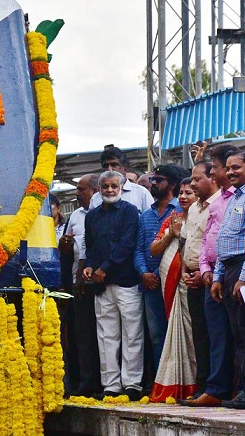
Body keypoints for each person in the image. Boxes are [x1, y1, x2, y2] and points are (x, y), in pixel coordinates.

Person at [181, 144, 239, 407]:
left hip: (238, 272)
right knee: (217, 336)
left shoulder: (234, 198)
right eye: (221, 167)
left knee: (238, 334)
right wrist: (211, 273)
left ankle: (231, 388)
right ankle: (216, 388)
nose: (219, 172)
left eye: (219, 168)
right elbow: (211, 240)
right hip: (219, 274)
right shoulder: (229, 199)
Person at [83, 170, 144, 401]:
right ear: (99, 189)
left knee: (132, 334)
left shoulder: (130, 212)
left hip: (125, 281)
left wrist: (104, 267)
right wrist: (90, 266)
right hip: (101, 285)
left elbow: (127, 245)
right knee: (106, 336)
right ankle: (110, 385)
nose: (109, 190)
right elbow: (89, 247)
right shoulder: (92, 215)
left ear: (121, 187)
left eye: (113, 186)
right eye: (105, 186)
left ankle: (132, 384)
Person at [135, 164, 188, 381]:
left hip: (172, 280)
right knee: (156, 336)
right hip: (148, 283)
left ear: (173, 184)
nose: (153, 183)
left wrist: (158, 273)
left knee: (177, 333)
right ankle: (160, 383)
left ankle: (180, 381)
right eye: (153, 180)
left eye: (159, 180)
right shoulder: (146, 215)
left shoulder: (180, 210)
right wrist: (143, 273)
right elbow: (139, 248)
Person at [148, 178, 198, 401]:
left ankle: (196, 383)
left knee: (194, 334)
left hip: (191, 283)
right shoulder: (172, 218)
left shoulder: (199, 217)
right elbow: (153, 249)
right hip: (171, 286)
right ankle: (177, 384)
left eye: (189, 193)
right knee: (174, 332)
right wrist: (172, 233)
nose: (184, 197)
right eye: (182, 193)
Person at [178, 160, 219, 397]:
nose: (192, 183)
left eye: (196, 179)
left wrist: (202, 273)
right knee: (199, 335)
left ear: (212, 178)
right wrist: (185, 270)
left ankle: (217, 387)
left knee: (215, 334)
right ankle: (203, 386)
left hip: (210, 277)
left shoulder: (219, 204)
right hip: (192, 277)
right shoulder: (194, 208)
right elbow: (188, 243)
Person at [58, 173, 101, 396]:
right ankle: (85, 383)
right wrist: (64, 244)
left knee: (103, 335)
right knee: (81, 336)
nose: (77, 194)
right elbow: (69, 251)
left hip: (100, 282)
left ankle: (104, 383)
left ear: (95, 190)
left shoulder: (102, 212)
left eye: (81, 190)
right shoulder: (75, 215)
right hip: (78, 284)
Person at [211, 150, 245, 409]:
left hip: (243, 270)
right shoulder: (236, 198)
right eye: (229, 167)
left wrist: (243, 279)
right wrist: (219, 277)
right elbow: (225, 240)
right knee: (238, 334)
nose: (231, 172)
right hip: (230, 270)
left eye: (237, 167)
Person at [89, 146, 154, 212]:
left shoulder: (141, 193)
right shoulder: (96, 198)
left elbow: (150, 220)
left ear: (125, 168)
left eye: (114, 165)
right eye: (106, 166)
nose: (109, 169)